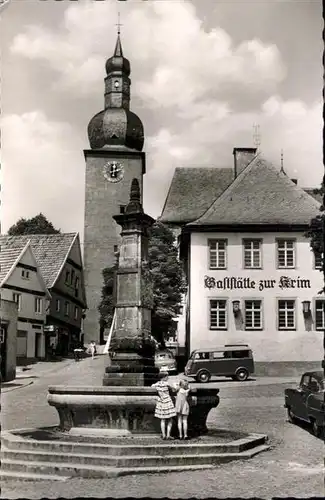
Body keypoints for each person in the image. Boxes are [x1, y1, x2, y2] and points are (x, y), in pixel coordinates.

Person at [151, 370, 176, 440]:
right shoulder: (167, 384)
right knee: (170, 419)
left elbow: (152, 386)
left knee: (162, 419)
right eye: (167, 376)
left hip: (161, 402)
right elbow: (175, 388)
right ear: (164, 377)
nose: (168, 377)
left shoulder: (157, 384)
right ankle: (168, 435)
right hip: (168, 401)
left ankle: (163, 434)